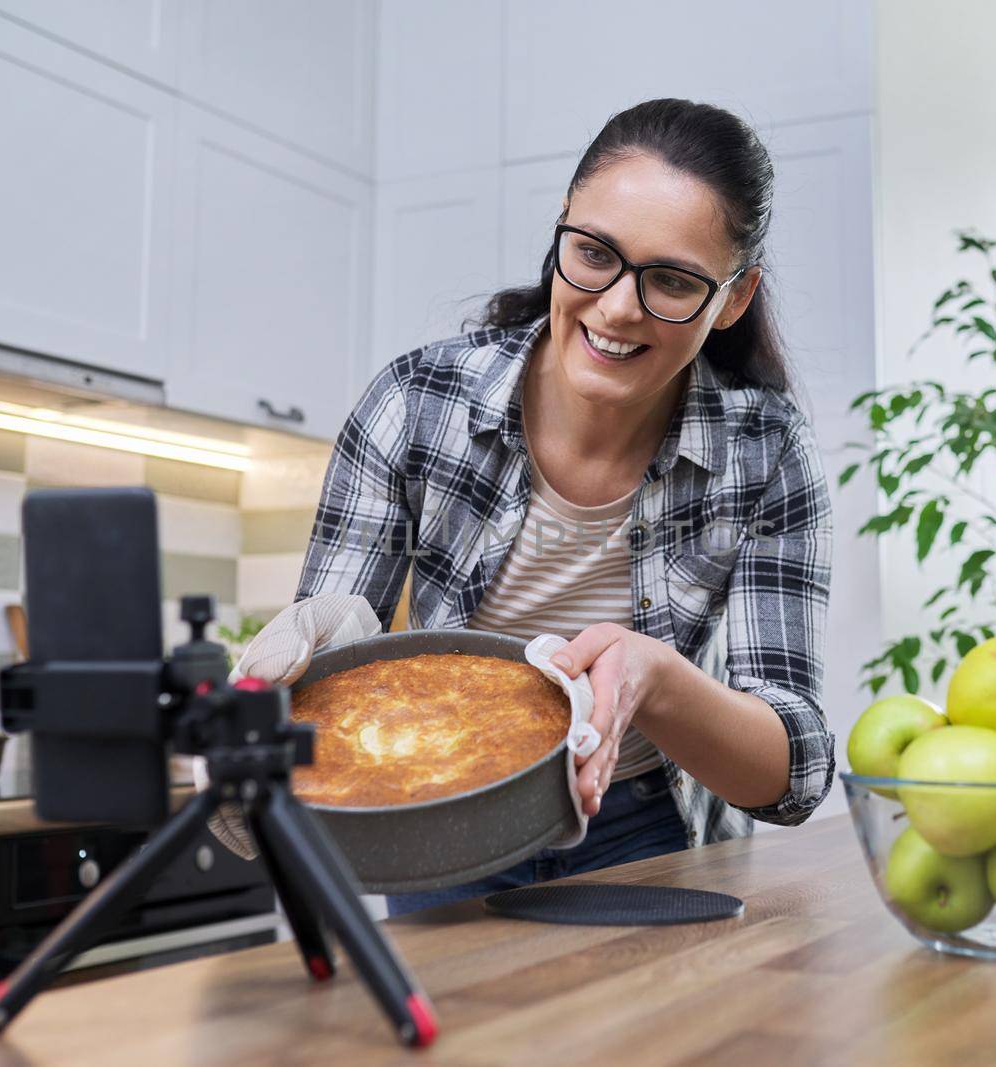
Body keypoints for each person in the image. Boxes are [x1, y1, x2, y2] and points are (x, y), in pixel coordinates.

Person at [254, 98, 835, 914]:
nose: (620, 306)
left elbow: (795, 775)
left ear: (734, 299)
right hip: (445, 808)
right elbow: (328, 693)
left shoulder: (767, 451)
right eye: (594, 253)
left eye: (671, 279)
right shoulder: (415, 401)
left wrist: (659, 682)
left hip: (650, 830)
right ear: (561, 228)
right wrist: (335, 649)